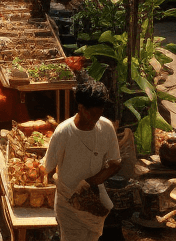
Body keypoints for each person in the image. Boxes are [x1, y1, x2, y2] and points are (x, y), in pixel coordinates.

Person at [44, 79, 122, 241]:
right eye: (91, 114)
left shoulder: (106, 127)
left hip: (93, 203)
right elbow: (48, 169)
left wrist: (91, 182)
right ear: (80, 107)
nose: (95, 118)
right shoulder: (63, 132)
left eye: (99, 113)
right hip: (68, 206)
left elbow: (115, 163)